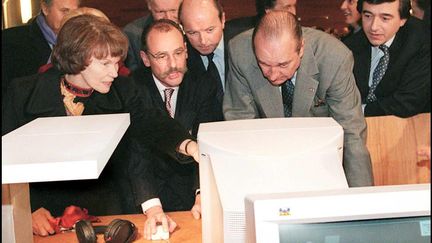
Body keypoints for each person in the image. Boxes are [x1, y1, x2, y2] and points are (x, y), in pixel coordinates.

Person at [2, 14, 199, 237]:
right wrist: (27, 210)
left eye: (117, 63)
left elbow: (153, 123)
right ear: (77, 57)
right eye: (105, 63)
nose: (114, 72)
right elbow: (6, 161)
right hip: (44, 216)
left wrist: (189, 146)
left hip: (106, 212)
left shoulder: (123, 89)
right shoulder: (22, 93)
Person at [224, 10, 374, 187]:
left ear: (301, 48)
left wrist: (362, 200)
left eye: (283, 64)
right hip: (267, 158)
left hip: (321, 161)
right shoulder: (240, 52)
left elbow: (351, 133)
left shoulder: (334, 58)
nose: (272, 75)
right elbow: (241, 126)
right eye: (263, 63)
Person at [130, 19, 220, 239]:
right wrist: (153, 208)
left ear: (186, 51)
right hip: (145, 198)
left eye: (178, 53)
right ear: (145, 59)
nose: (173, 64)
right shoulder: (132, 88)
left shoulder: (203, 84)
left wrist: (202, 194)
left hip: (191, 194)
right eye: (161, 56)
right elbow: (136, 154)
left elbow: (207, 143)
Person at [343, 0, 430, 117]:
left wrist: (358, 112)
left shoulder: (421, 40)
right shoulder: (351, 45)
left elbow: (408, 102)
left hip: (408, 127)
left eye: (385, 18)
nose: (373, 27)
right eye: (368, 16)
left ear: (402, 20)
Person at [2, 0, 80, 97]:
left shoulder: (82, 42)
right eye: (64, 11)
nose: (71, 18)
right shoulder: (9, 40)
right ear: (45, 8)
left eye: (74, 12)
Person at [178, 0, 228, 120]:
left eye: (210, 30)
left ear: (223, 20)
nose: (203, 41)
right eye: (193, 33)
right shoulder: (180, 58)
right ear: (182, 28)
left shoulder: (244, 47)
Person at [123, 0, 182, 71]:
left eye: (173, 11)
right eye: (161, 12)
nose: (168, 17)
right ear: (149, 6)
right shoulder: (132, 34)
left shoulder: (194, 26)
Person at [225, 0, 297, 43]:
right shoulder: (240, 37)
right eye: (287, 7)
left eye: (294, 6)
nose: (294, 12)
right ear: (269, 10)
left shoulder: (298, 32)